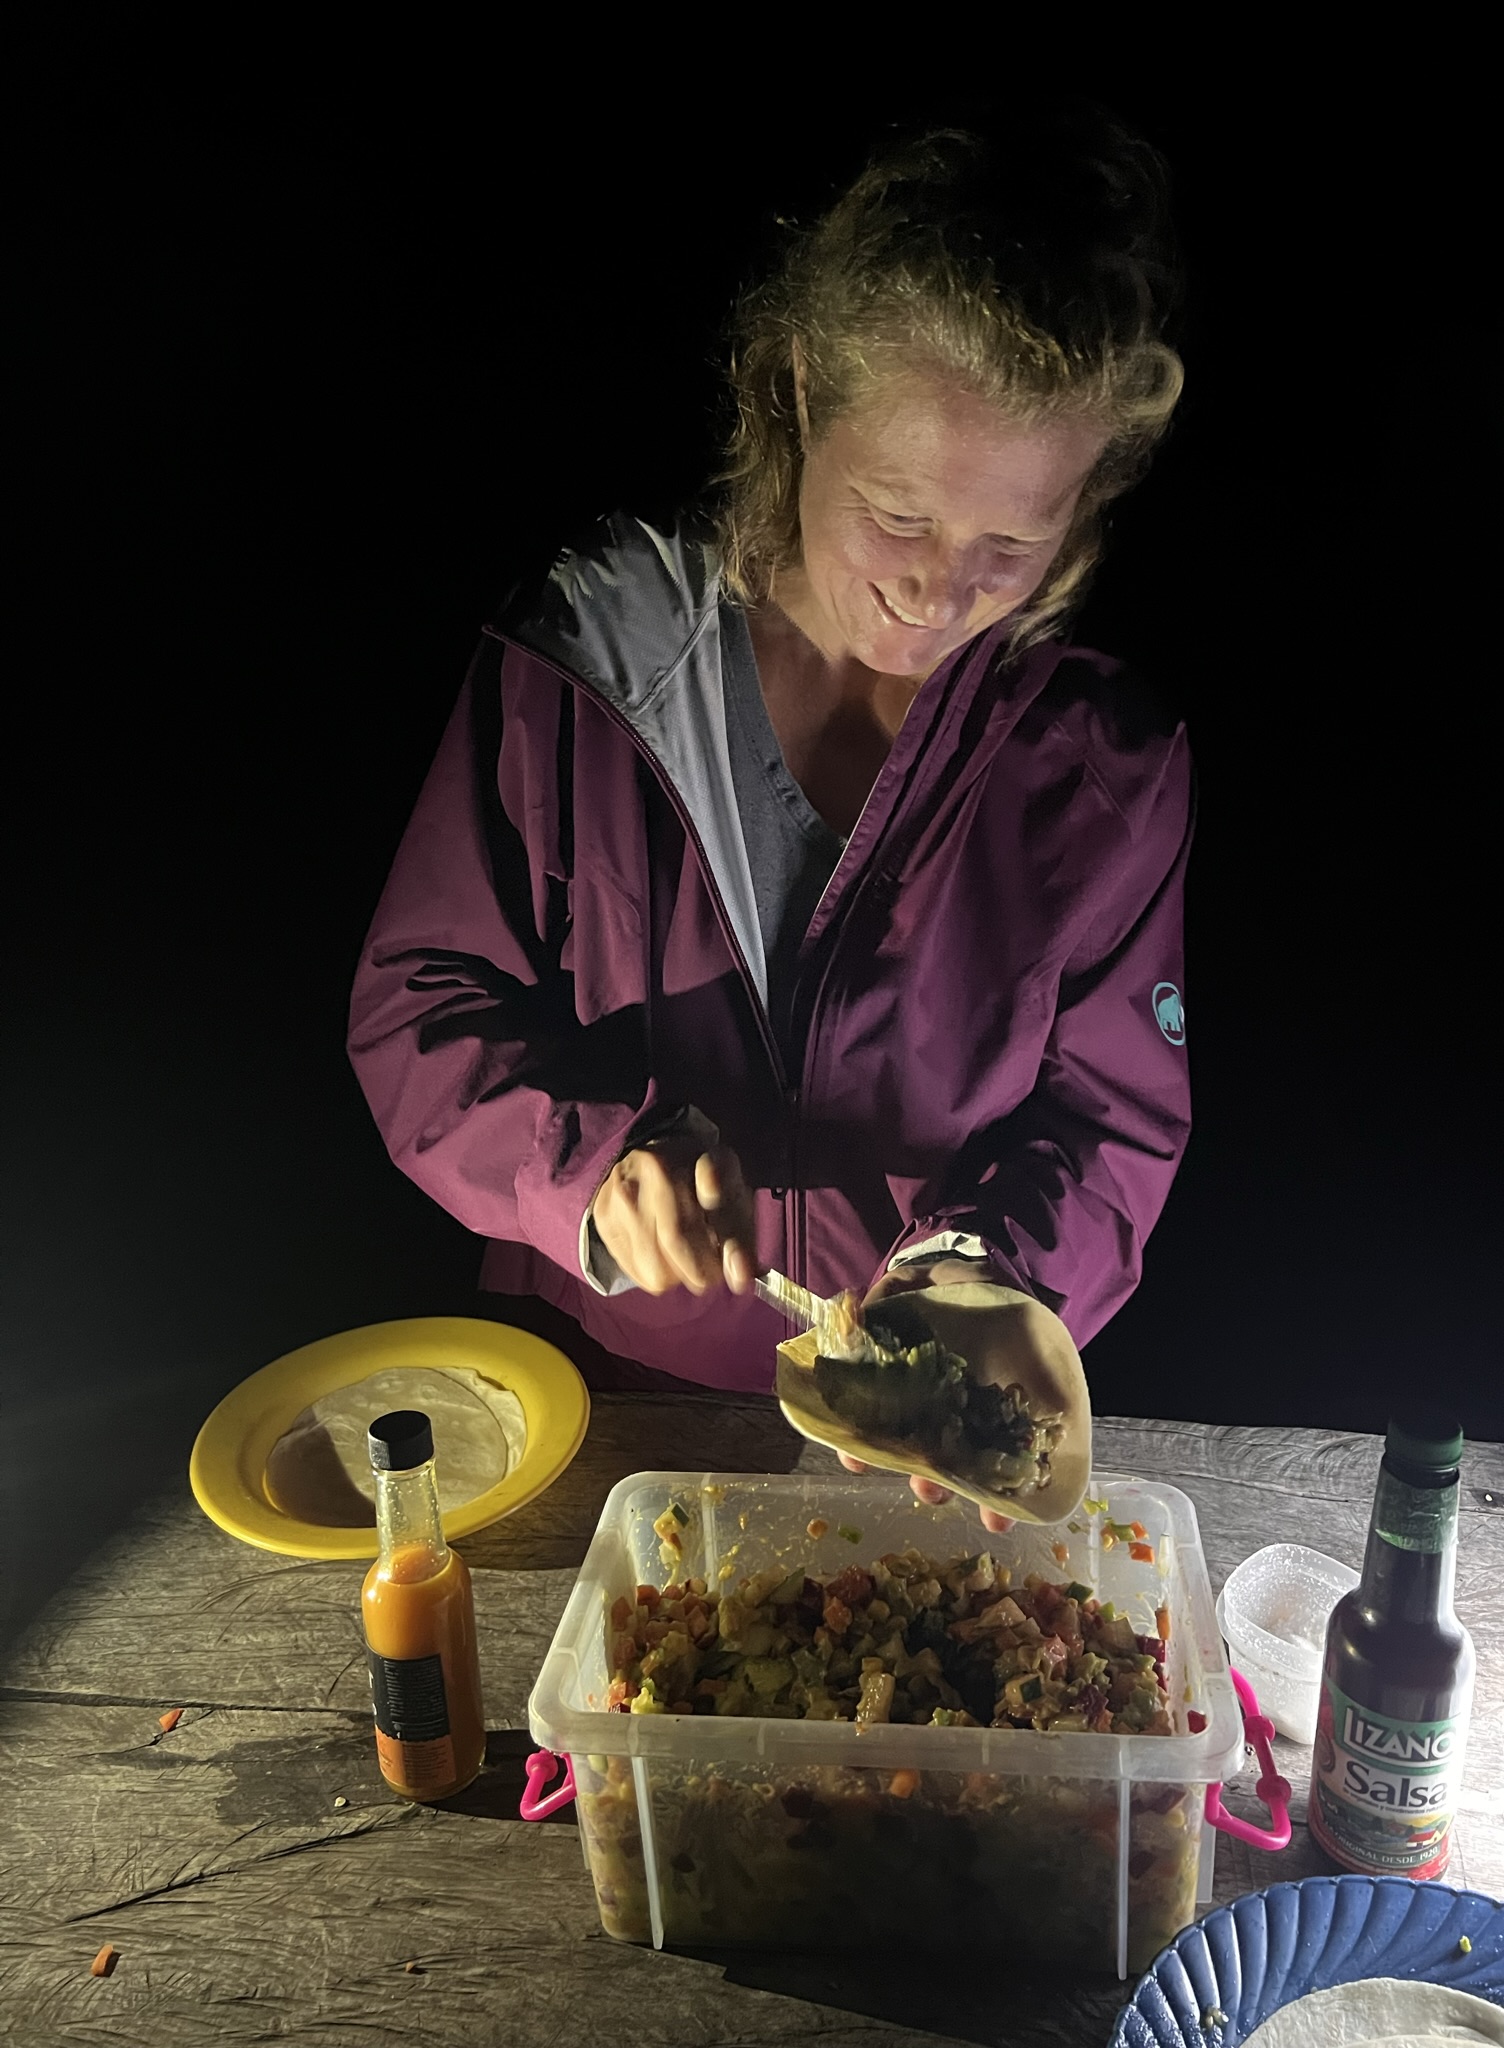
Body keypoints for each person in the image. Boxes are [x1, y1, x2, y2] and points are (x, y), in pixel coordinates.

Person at [348, 106, 1193, 1529]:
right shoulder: (593, 668)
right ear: (800, 390)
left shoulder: (1101, 766)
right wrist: (592, 1170)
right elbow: (413, 1012)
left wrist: (984, 1278)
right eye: (898, 515)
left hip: (910, 1446)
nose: (937, 592)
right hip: (598, 1395)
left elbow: (1114, 1123)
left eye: (1011, 542)